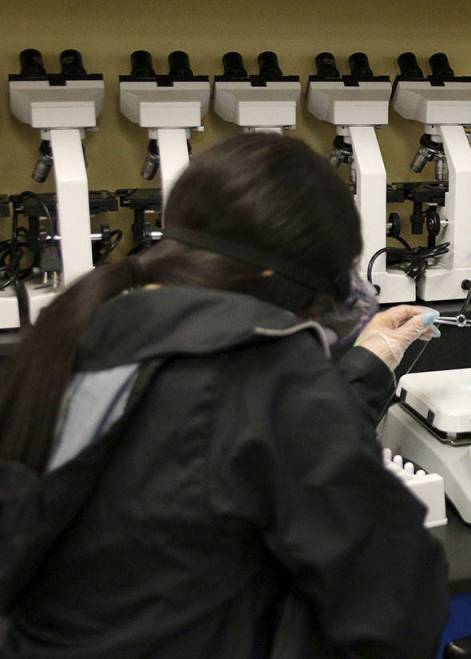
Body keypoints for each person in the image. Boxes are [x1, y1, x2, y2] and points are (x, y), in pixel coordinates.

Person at [0, 133, 448, 658]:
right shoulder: (261, 362)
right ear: (269, 273)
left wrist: (367, 362)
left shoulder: (84, 326)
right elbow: (392, 596)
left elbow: (214, 455)